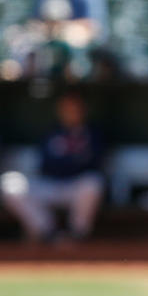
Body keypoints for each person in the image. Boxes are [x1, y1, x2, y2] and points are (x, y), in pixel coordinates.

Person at [0, 92, 106, 243]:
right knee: (9, 184)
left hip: (76, 186)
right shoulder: (51, 132)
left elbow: (94, 163)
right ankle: (48, 232)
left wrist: (67, 163)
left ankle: (77, 233)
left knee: (93, 182)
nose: (70, 112)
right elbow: (45, 164)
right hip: (50, 183)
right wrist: (72, 162)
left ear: (83, 110)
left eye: (74, 108)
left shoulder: (94, 133)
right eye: (66, 108)